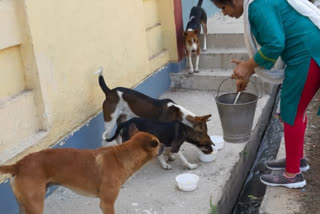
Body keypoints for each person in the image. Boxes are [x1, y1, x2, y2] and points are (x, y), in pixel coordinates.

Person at [210, 0, 320, 188]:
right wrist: (248, 69)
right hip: (309, 52)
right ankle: (297, 161)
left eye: (223, 8)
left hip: (306, 56)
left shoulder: (257, 6)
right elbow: (275, 42)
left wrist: (249, 65)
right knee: (296, 111)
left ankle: (293, 175)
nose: (224, 13)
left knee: (291, 112)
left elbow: (275, 44)